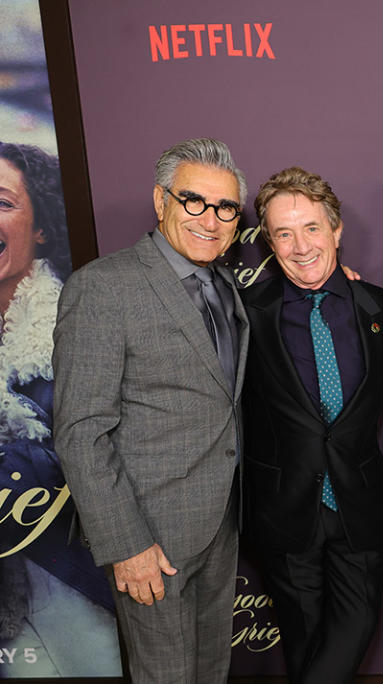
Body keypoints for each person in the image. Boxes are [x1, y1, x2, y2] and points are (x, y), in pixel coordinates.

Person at [52, 138, 248, 683]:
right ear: (160, 200)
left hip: (221, 525)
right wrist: (127, 543)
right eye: (194, 201)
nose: (211, 219)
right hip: (149, 535)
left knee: (211, 670)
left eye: (226, 208)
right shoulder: (102, 288)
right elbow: (80, 430)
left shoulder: (226, 287)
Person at [240, 167, 383, 683]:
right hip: (283, 510)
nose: (300, 246)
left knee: (355, 625)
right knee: (303, 643)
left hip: (357, 504)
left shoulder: (380, 308)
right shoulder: (247, 315)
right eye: (283, 233)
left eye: (312, 228)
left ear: (336, 231)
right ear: (269, 243)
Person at [0, 142, 120, 676]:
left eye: (3, 202)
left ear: (42, 227)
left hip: (70, 582)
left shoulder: (76, 321)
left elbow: (97, 451)